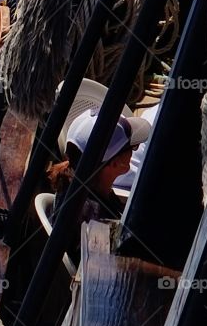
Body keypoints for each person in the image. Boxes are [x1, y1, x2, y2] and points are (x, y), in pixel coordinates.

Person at [48, 107, 152, 260]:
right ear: (115, 163)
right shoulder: (95, 220)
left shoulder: (81, 183)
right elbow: (113, 267)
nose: (134, 150)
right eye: (132, 147)